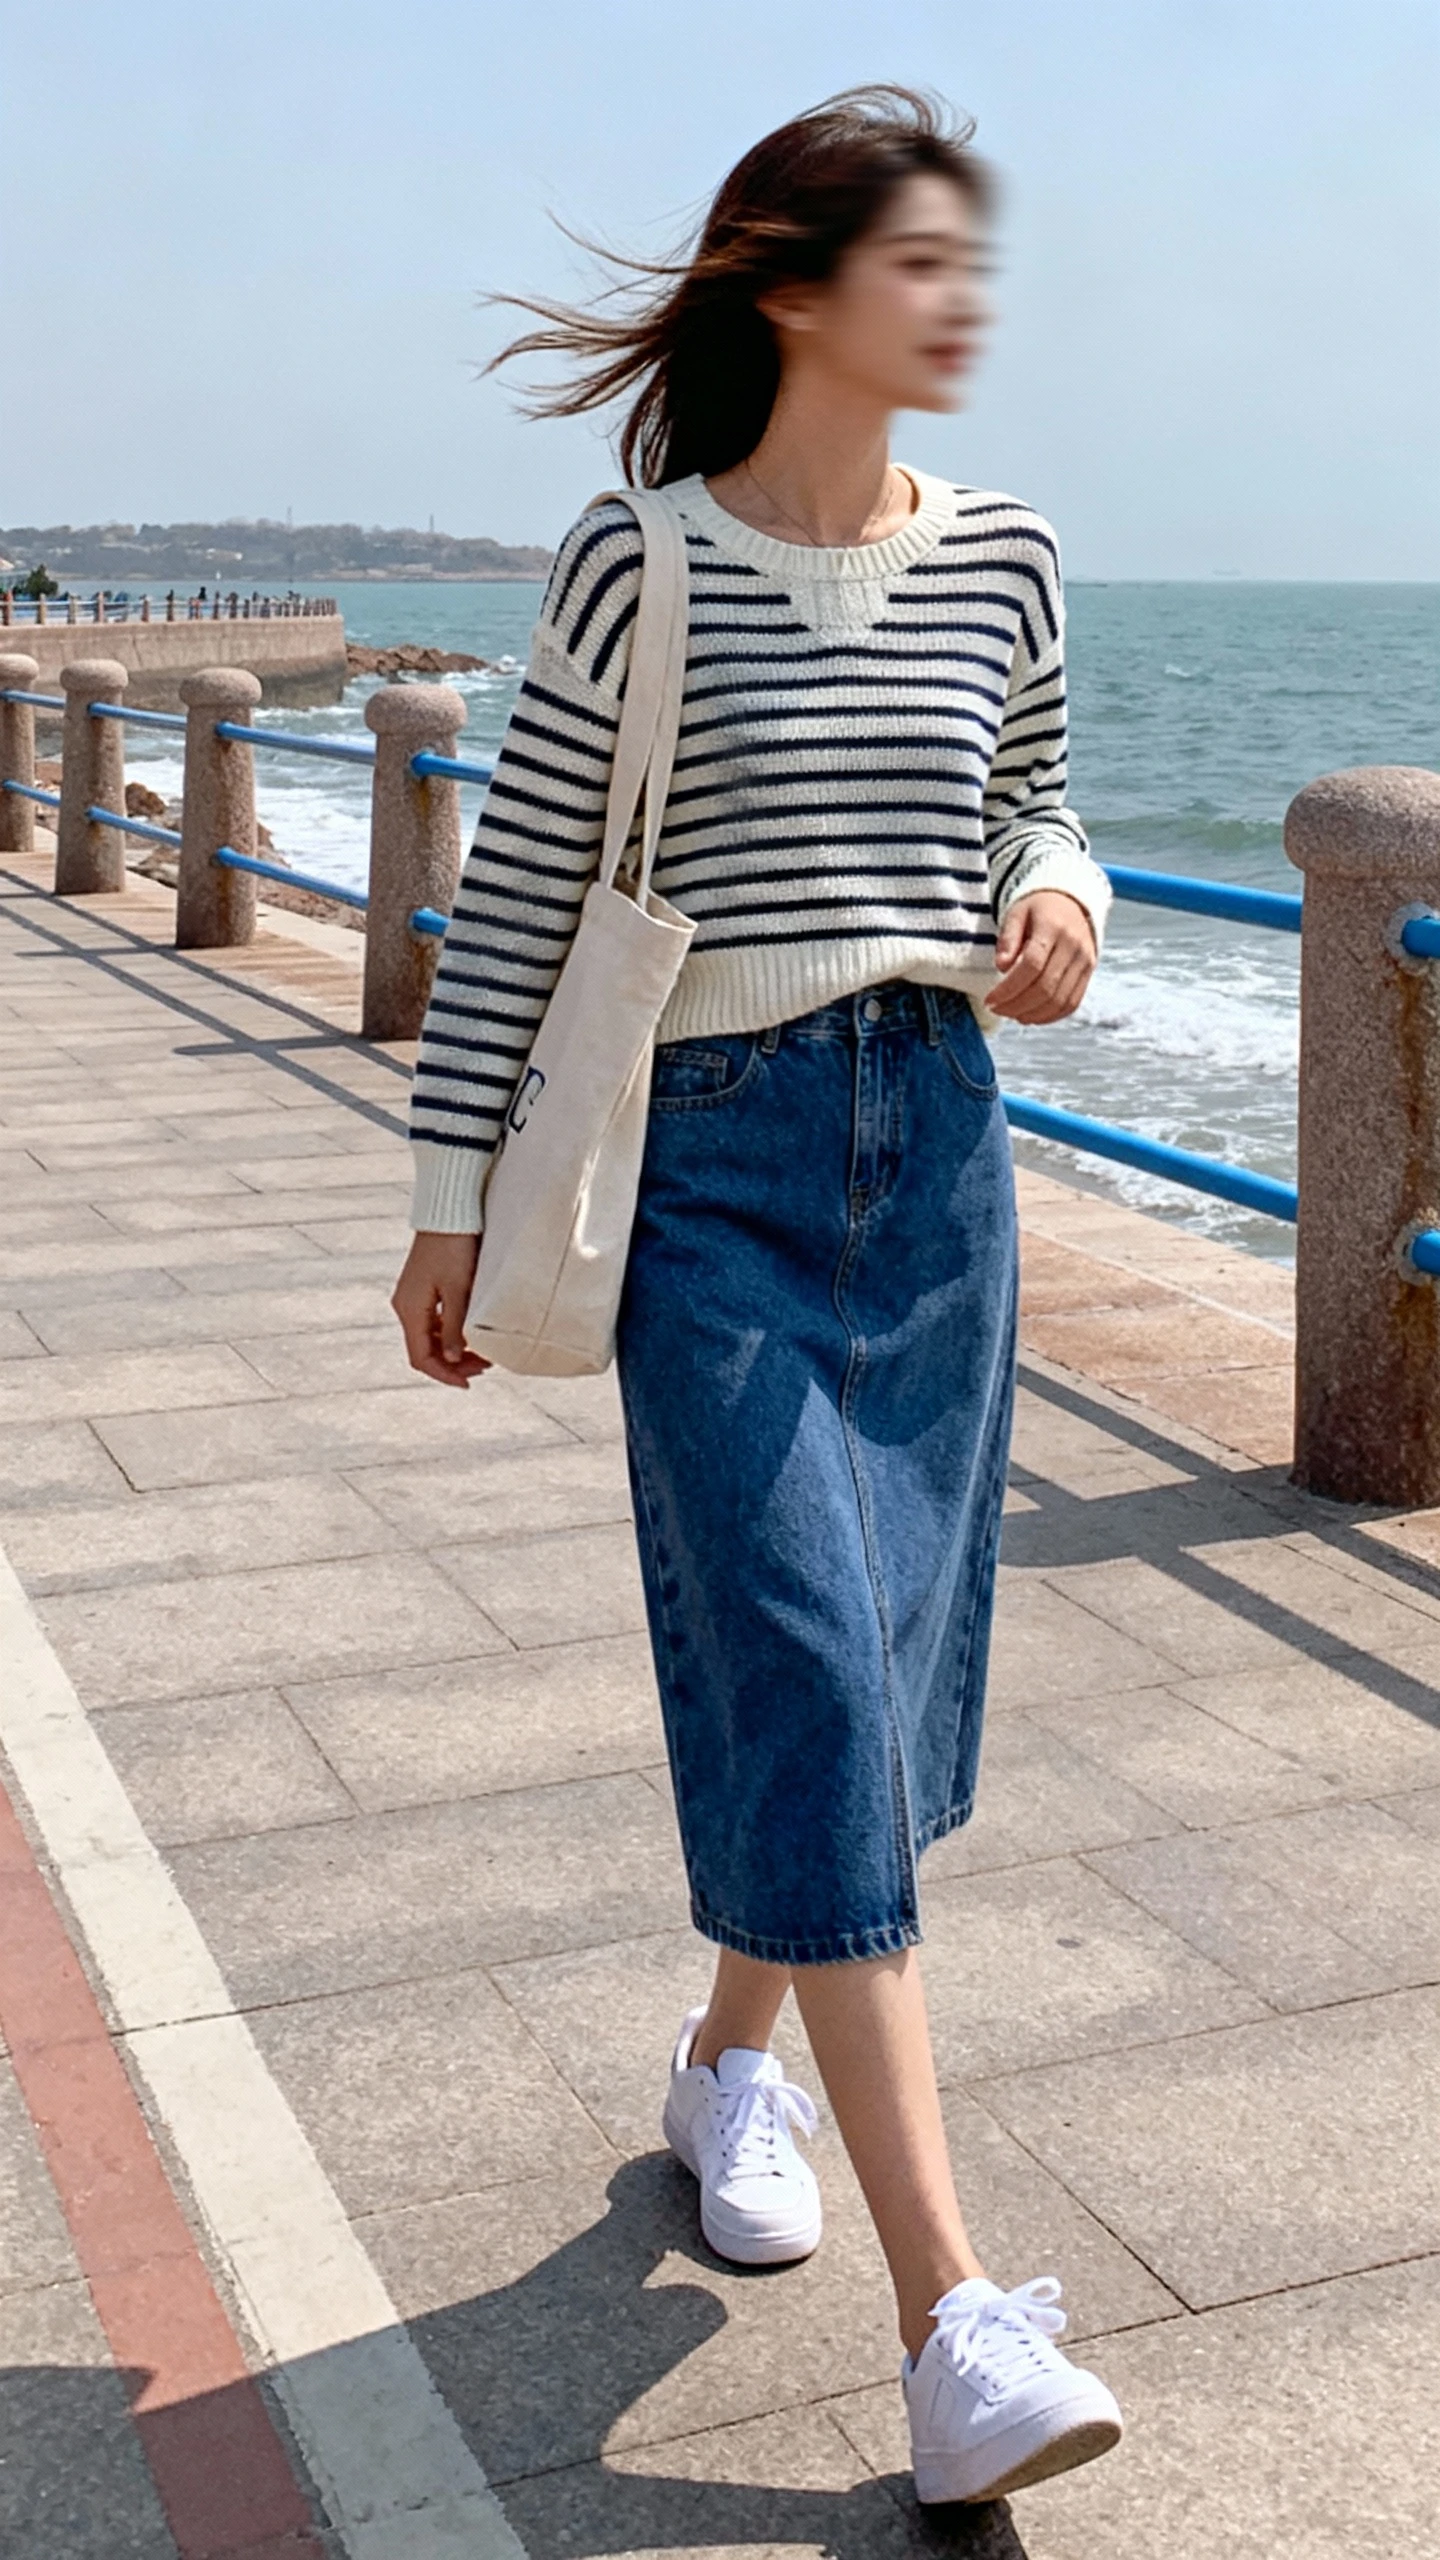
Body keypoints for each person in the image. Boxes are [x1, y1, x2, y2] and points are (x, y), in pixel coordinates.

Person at [392, 85, 1122, 2509]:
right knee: (810, 1665)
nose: (965, 298)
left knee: (874, 1692)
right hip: (706, 1167)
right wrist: (447, 1192)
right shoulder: (642, 564)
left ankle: (733, 2059)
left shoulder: (1009, 555)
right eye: (922, 261)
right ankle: (957, 2318)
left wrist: (1064, 890)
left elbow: (1033, 789)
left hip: (943, 1164)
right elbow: (521, 893)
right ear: (794, 292)